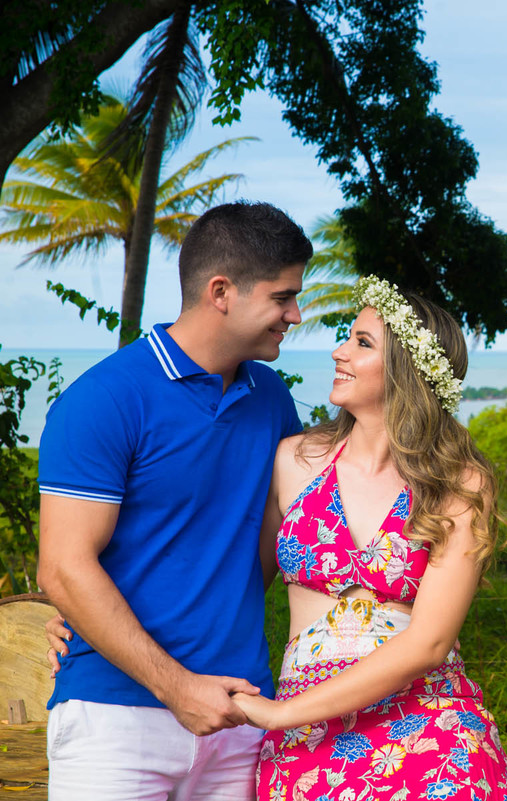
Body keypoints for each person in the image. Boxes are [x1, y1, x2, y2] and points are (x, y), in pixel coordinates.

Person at [37, 201, 313, 801]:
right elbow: (63, 565)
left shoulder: (271, 399)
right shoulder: (104, 400)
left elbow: (277, 540)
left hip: (241, 712)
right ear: (222, 291)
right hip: (115, 722)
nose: (295, 314)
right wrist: (177, 685)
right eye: (282, 296)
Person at [231, 276, 507, 801]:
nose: (339, 352)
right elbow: (229, 584)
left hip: (428, 723)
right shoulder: (294, 461)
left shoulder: (459, 483)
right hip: (310, 737)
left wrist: (279, 714)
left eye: (362, 343)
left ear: (406, 370)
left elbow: (430, 642)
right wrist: (95, 621)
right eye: (349, 337)